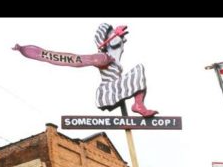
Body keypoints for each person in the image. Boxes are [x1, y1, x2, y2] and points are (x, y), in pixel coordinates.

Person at [14, 23, 157, 117]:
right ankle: (138, 105)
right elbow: (77, 59)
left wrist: (118, 36)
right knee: (138, 70)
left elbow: (118, 43)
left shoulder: (115, 54)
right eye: (113, 33)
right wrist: (24, 49)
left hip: (116, 86)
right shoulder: (102, 57)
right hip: (109, 90)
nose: (118, 36)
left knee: (138, 71)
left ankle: (138, 104)